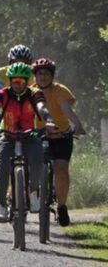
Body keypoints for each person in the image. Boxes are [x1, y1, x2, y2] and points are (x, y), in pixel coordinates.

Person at [0, 62, 56, 222]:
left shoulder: (35, 93)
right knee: (2, 168)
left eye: (22, 81)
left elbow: (42, 107)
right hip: (7, 136)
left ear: (27, 81)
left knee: (37, 161)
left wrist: (48, 120)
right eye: (15, 81)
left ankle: (33, 192)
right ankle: (0, 205)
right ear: (10, 81)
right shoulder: (2, 94)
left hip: (29, 136)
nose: (18, 84)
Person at [31, 58, 85, 226]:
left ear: (52, 75)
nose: (43, 76)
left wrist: (77, 124)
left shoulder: (59, 90)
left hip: (61, 135)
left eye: (46, 73)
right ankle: (22, 200)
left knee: (61, 169)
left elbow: (66, 108)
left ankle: (61, 206)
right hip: (37, 135)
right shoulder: (29, 91)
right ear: (35, 76)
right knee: (30, 167)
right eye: (39, 73)